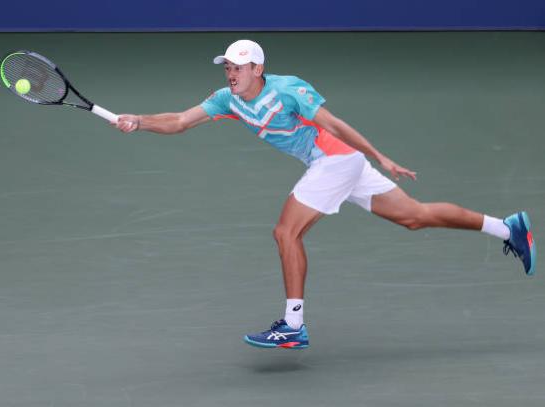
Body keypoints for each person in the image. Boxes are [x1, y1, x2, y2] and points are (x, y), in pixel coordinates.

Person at [113, 39, 536, 349]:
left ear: (258, 69)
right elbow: (180, 120)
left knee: (285, 233)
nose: (231, 74)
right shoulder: (228, 99)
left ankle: (293, 324)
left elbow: (334, 125)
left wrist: (380, 156)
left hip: (335, 160)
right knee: (414, 216)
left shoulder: (289, 89)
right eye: (227, 67)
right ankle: (508, 229)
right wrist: (140, 120)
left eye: (238, 68)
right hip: (334, 165)